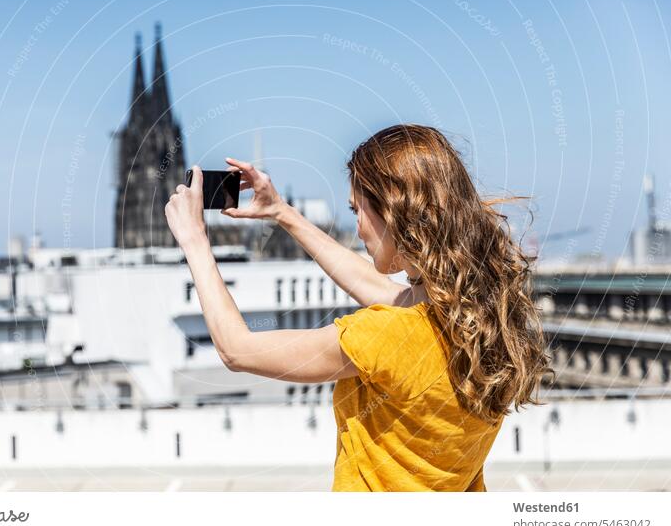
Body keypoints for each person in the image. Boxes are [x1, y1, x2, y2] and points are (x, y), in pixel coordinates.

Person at [164, 123, 554, 492]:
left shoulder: (386, 336)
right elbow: (384, 292)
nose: (357, 229)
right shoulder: (484, 317)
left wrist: (195, 240)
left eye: (356, 211)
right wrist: (282, 213)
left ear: (394, 211)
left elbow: (237, 349)